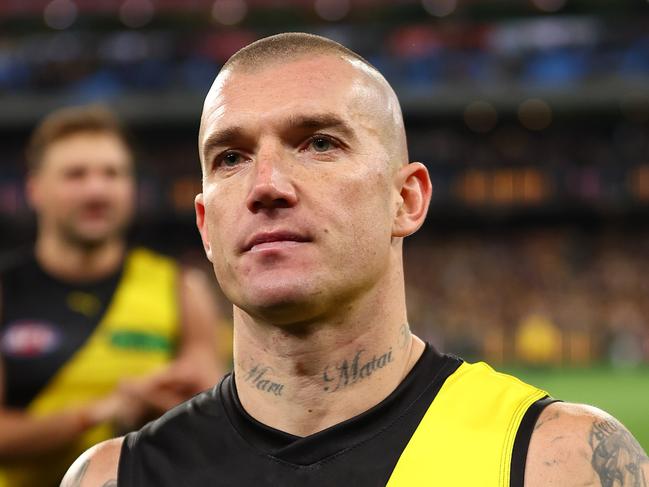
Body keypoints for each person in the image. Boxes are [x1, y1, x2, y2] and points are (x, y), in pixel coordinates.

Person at [63, 33, 649, 486]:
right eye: (231, 157)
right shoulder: (114, 477)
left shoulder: (558, 461)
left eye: (319, 142)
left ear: (407, 199)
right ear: (205, 227)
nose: (265, 184)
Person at [0, 105, 224, 487]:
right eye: (76, 175)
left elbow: (210, 419)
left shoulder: (180, 287)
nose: (96, 190)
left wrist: (152, 405)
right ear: (34, 189)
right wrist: (101, 411)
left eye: (112, 173)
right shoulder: (5, 290)